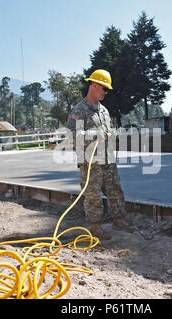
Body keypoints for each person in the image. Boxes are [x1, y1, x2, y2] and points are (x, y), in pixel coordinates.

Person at [66, 69, 133, 240]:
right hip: (91, 164)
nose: (106, 93)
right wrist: (96, 134)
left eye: (107, 90)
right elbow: (74, 137)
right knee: (93, 195)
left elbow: (107, 131)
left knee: (115, 191)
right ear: (94, 85)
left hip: (108, 160)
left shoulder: (104, 110)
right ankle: (95, 227)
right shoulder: (79, 111)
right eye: (104, 89)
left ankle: (118, 220)